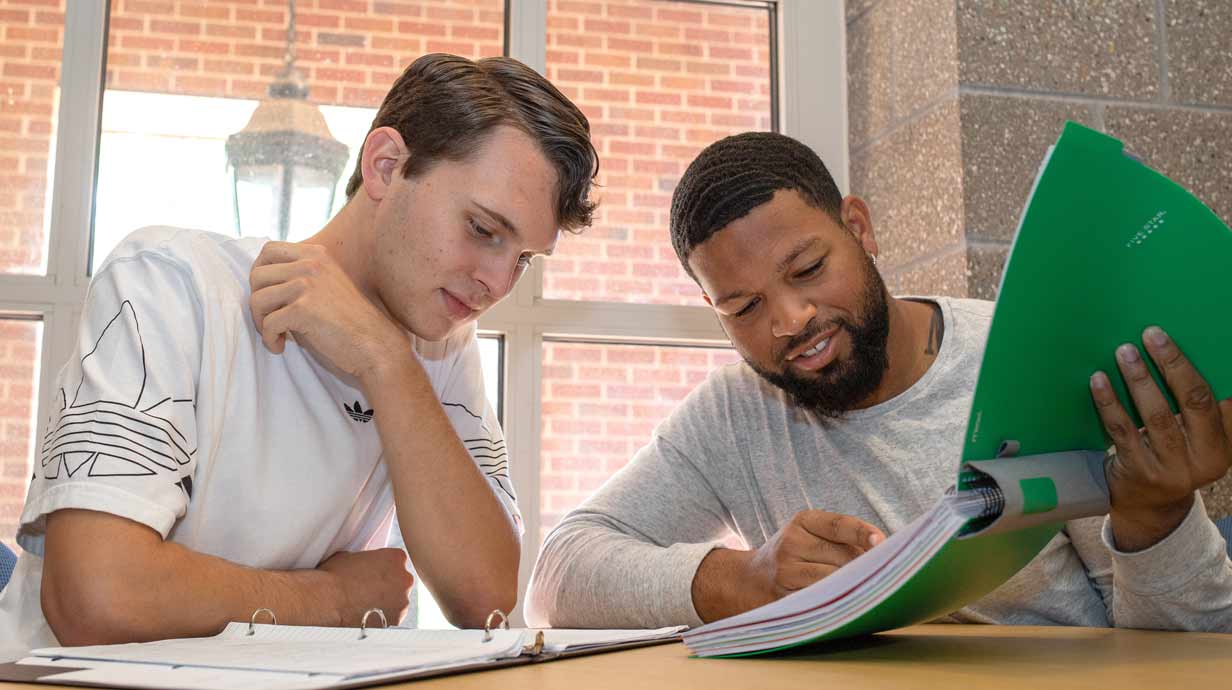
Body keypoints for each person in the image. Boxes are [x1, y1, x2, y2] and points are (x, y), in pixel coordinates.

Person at [0, 53, 598, 658]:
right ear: (387, 166)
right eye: (481, 229)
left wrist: (386, 361)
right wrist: (335, 601)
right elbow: (97, 598)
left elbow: (486, 599)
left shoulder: (437, 342)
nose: (497, 282)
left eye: (522, 258)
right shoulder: (169, 281)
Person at [526, 131, 1232, 631]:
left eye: (807, 270)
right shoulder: (737, 413)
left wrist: (1155, 518)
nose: (791, 320)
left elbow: (1188, 644)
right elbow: (558, 579)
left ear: (858, 227)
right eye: (744, 307)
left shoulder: (1020, 358)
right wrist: (745, 580)